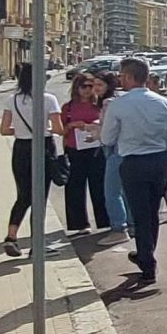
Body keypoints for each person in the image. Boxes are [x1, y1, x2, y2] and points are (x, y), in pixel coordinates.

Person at [100, 57, 167, 289]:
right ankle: (146, 253)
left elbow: (107, 138)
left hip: (133, 162)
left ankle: (147, 263)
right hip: (159, 161)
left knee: (140, 213)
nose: (120, 79)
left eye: (122, 75)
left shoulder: (118, 104)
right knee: (152, 213)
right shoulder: (163, 102)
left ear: (129, 77)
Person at [0, 61, 58, 257]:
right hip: (43, 147)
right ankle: (37, 245)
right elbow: (58, 129)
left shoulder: (12, 100)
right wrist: (44, 128)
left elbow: (4, 129)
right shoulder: (48, 99)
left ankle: (11, 236)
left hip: (21, 148)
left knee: (23, 195)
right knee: (40, 198)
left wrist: (22, 130)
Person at [58, 71, 111, 234]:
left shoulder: (100, 105)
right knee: (75, 187)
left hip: (96, 149)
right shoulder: (68, 107)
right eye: (84, 86)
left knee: (99, 186)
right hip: (74, 149)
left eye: (91, 86)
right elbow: (62, 130)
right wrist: (73, 125)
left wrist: (94, 125)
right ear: (77, 87)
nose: (88, 90)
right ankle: (79, 224)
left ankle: (104, 221)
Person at [95, 72, 132, 234]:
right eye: (94, 85)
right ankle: (131, 224)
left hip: (113, 149)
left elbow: (108, 131)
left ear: (108, 86)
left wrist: (97, 134)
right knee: (124, 190)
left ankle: (118, 228)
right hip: (124, 148)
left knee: (111, 192)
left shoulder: (108, 103)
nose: (96, 89)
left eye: (99, 85)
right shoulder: (120, 100)